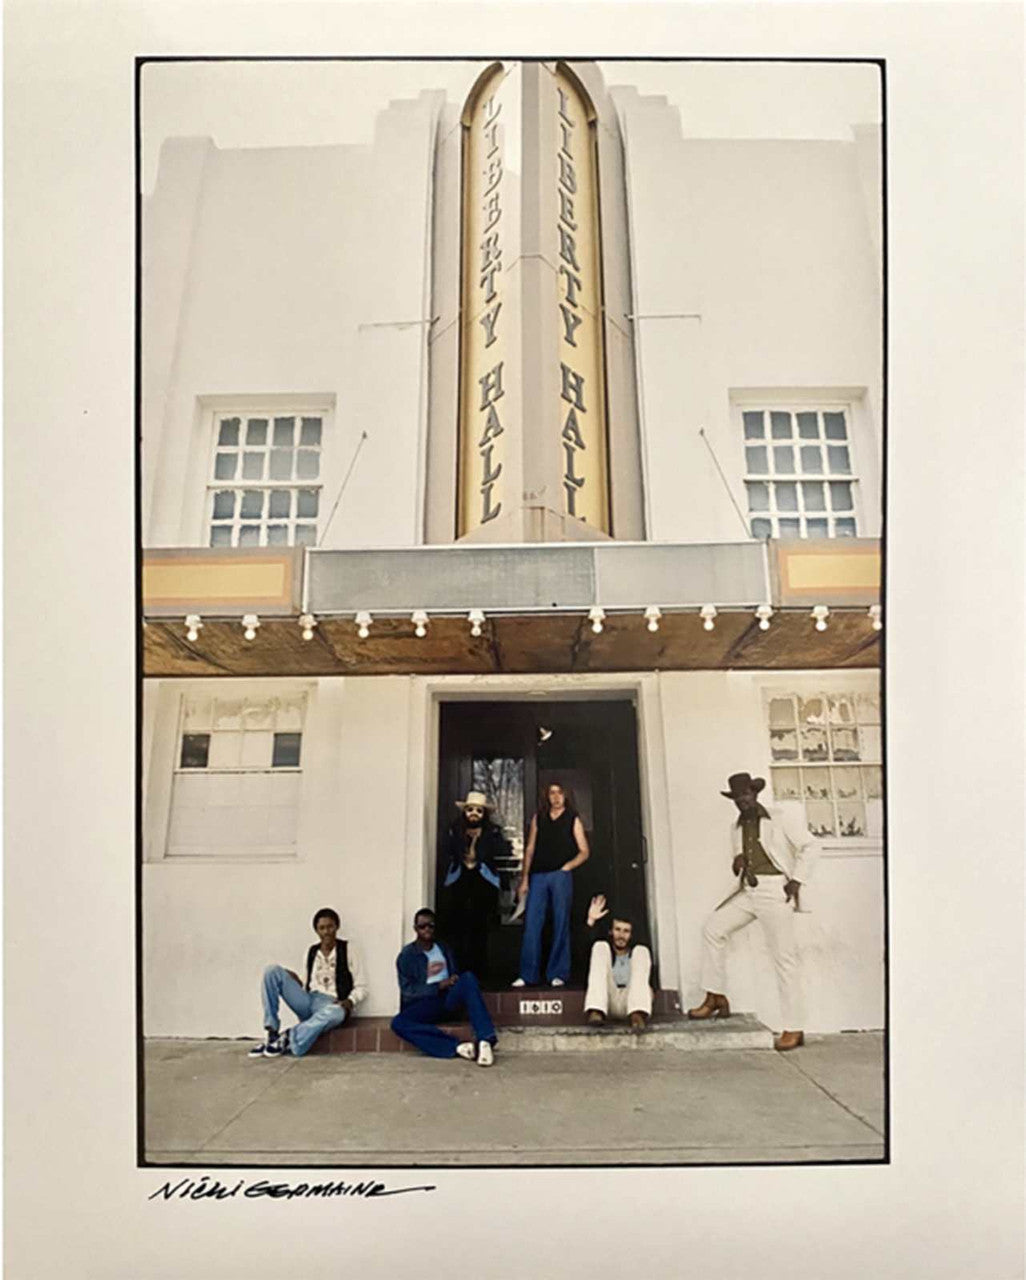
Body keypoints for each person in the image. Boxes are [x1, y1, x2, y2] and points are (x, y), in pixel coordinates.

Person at [688, 772, 820, 1051]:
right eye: (737, 798)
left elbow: (810, 846)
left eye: (745, 795)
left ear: (755, 793)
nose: (742, 801)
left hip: (775, 891)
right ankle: (715, 996)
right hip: (750, 891)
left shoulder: (780, 818)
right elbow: (741, 856)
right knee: (713, 928)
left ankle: (793, 1027)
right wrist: (737, 861)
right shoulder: (735, 827)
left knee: (784, 960)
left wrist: (796, 881)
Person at [249, 907, 367, 1058]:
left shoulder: (349, 949)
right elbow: (306, 983)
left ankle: (288, 1037)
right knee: (271, 971)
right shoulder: (311, 951)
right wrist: (292, 979)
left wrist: (350, 1001)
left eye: (330, 927)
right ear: (316, 931)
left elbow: (362, 987)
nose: (326, 932)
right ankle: (272, 1032)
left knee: (337, 1013)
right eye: (322, 928)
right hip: (309, 1000)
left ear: (337, 927)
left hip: (331, 1004)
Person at [391, 908, 498, 1066]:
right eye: (422, 926)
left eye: (431, 925)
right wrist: (438, 986)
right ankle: (457, 1047)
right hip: (425, 1002)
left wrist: (452, 979)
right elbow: (408, 991)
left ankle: (485, 1041)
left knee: (468, 978)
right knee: (398, 1024)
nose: (427, 929)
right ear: (415, 929)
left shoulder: (444, 948)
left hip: (448, 998)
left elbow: (454, 972)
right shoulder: (407, 955)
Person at [512, 782, 590, 989]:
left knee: (561, 922)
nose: (555, 797)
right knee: (532, 924)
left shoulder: (572, 818)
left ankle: (558, 972)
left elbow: (584, 851)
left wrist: (567, 867)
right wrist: (525, 878)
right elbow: (529, 848)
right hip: (538, 875)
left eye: (559, 793)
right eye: (551, 793)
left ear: (566, 795)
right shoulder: (539, 818)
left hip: (560, 876)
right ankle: (527, 974)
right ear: (547, 796)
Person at [439, 790, 507, 977]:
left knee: (482, 929)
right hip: (458, 881)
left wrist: (483, 848)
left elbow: (502, 849)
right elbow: (445, 852)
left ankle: (482, 972)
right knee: (458, 927)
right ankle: (458, 971)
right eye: (470, 810)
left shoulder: (493, 831)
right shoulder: (454, 830)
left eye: (478, 810)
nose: (474, 814)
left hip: (484, 882)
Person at [583, 894, 653, 1032]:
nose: (621, 935)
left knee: (642, 950)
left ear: (631, 934)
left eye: (626, 931)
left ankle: (637, 1015)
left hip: (632, 1002)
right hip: (608, 1002)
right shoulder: (606, 951)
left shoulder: (636, 953)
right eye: (617, 930)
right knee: (599, 946)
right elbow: (581, 949)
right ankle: (596, 1011)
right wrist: (591, 920)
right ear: (611, 931)